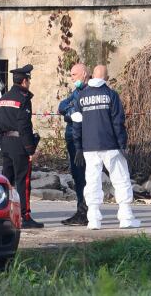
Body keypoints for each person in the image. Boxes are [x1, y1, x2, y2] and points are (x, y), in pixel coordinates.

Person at [78, 64, 140, 229]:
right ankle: (126, 217)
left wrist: (78, 145)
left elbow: (77, 122)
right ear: (106, 78)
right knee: (120, 179)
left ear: (92, 76)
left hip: (89, 146)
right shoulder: (111, 95)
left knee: (92, 181)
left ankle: (94, 219)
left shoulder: (82, 96)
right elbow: (118, 122)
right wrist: (122, 144)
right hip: (110, 145)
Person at [0, 65, 43, 229]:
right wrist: (30, 149)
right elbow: (24, 126)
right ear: (24, 81)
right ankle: (25, 216)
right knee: (23, 181)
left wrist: (3, 144)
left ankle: (4, 214)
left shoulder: (3, 99)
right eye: (29, 80)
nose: (29, 83)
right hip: (20, 144)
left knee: (7, 181)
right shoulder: (23, 99)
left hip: (6, 144)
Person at [57, 62, 90, 226]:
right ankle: (81, 210)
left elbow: (81, 114)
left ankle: (84, 212)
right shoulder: (76, 91)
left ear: (84, 74)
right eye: (70, 75)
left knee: (83, 176)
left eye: (74, 75)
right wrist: (70, 112)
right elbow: (61, 106)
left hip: (82, 140)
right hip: (72, 138)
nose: (72, 78)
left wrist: (70, 113)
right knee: (77, 176)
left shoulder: (88, 91)